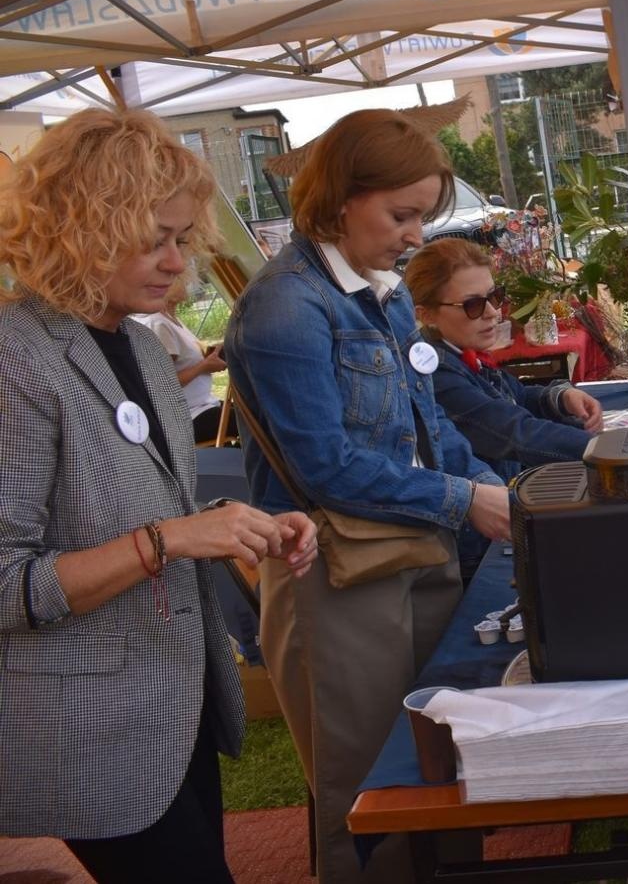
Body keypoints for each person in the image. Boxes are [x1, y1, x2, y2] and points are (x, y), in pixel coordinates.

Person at [0, 108, 316, 883]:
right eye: (155, 240)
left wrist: (237, 524)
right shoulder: (16, 358)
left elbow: (137, 511)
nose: (178, 262)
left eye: (182, 238)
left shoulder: (139, 343)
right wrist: (170, 540)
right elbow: (7, 581)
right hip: (91, 724)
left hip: (172, 700)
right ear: (79, 228)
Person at [225, 108, 511, 884]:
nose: (415, 235)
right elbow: (327, 466)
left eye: (422, 215)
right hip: (330, 569)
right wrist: (466, 497)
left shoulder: (380, 293)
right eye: (402, 215)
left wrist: (488, 487)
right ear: (343, 198)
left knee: (441, 753)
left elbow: (428, 424)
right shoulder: (285, 306)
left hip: (411, 543)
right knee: (365, 786)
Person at [403, 239, 600, 580]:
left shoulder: (462, 354)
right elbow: (514, 431)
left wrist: (560, 396)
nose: (494, 312)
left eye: (495, 297)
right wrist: (605, 451)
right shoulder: (438, 374)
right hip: (484, 548)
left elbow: (517, 396)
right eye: (473, 305)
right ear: (426, 314)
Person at [133, 280, 235, 444]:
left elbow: (184, 361)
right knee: (255, 422)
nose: (187, 283)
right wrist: (204, 366)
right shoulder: (158, 324)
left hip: (203, 405)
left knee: (253, 413)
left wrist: (210, 355)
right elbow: (163, 383)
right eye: (179, 279)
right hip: (188, 416)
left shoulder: (170, 319)